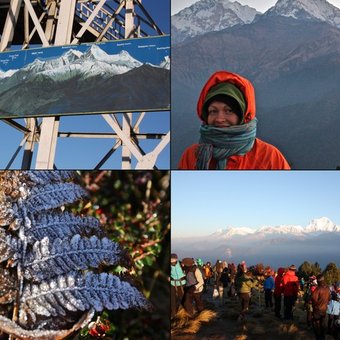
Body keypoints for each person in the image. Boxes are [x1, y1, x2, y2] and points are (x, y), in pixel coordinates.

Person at [178, 70, 291, 169]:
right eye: (213, 111)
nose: (220, 119)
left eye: (229, 111)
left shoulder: (269, 157)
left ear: (242, 116)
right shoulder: (192, 156)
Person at [312, 274, 331, 340]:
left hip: (318, 310)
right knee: (322, 323)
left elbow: (314, 300)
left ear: (318, 281)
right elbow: (329, 299)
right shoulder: (328, 288)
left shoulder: (318, 289)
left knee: (316, 324)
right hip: (324, 309)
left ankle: (318, 337)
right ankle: (323, 337)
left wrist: (314, 308)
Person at [170, 254, 186, 318]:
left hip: (182, 283)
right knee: (173, 299)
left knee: (183, 298)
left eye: (174, 258)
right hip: (173, 284)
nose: (172, 260)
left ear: (176, 259)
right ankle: (173, 314)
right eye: (171, 258)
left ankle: (185, 312)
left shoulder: (181, 264)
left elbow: (187, 270)